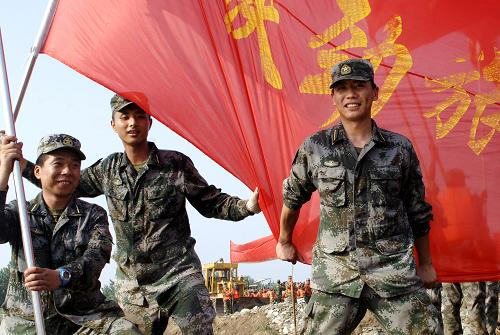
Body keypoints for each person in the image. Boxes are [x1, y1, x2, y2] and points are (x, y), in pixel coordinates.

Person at [17, 94, 261, 335]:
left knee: (199, 328)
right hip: (133, 287)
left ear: (149, 122)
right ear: (114, 124)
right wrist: (20, 163)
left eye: (139, 116)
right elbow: (63, 182)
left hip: (178, 275)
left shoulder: (175, 164)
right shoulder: (107, 170)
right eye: (125, 117)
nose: (132, 123)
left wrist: (246, 206)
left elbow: (211, 202)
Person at [275, 58, 442, 334]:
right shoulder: (315, 148)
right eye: (342, 88)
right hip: (336, 275)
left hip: (392, 271)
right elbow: (293, 197)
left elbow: (418, 211)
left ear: (374, 92)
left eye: (359, 86)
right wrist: (284, 241)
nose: (350, 94)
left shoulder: (399, 149)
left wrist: (426, 264)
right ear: (333, 97)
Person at [0, 134, 140, 334]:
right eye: (58, 164)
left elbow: (96, 257)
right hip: (27, 322)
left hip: (83, 318)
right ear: (37, 172)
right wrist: (4, 172)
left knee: (125, 331)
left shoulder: (93, 215)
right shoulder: (20, 213)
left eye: (74, 165)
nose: (67, 171)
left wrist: (61, 276)